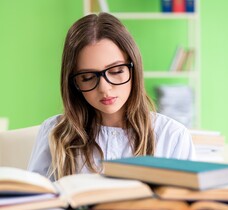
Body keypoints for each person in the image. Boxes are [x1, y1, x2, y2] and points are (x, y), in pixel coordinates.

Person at [28, 12, 196, 181]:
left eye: (116, 71)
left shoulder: (173, 135)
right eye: (87, 77)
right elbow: (35, 200)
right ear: (74, 82)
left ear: (133, 68)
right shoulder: (54, 132)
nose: (104, 89)